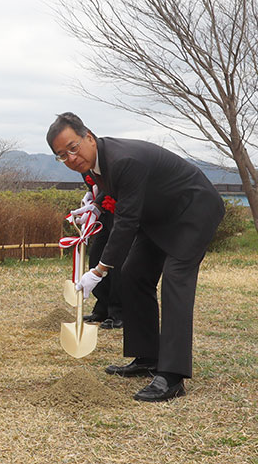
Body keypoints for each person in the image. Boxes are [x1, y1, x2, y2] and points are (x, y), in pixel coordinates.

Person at [47, 111, 225, 402]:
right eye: (61, 156)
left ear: (88, 137)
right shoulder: (92, 165)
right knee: (132, 274)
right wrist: (95, 207)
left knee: (175, 280)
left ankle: (172, 376)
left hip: (193, 210)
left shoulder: (124, 160)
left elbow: (127, 222)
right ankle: (147, 356)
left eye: (73, 147)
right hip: (158, 215)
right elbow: (117, 196)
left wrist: (99, 270)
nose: (71, 158)